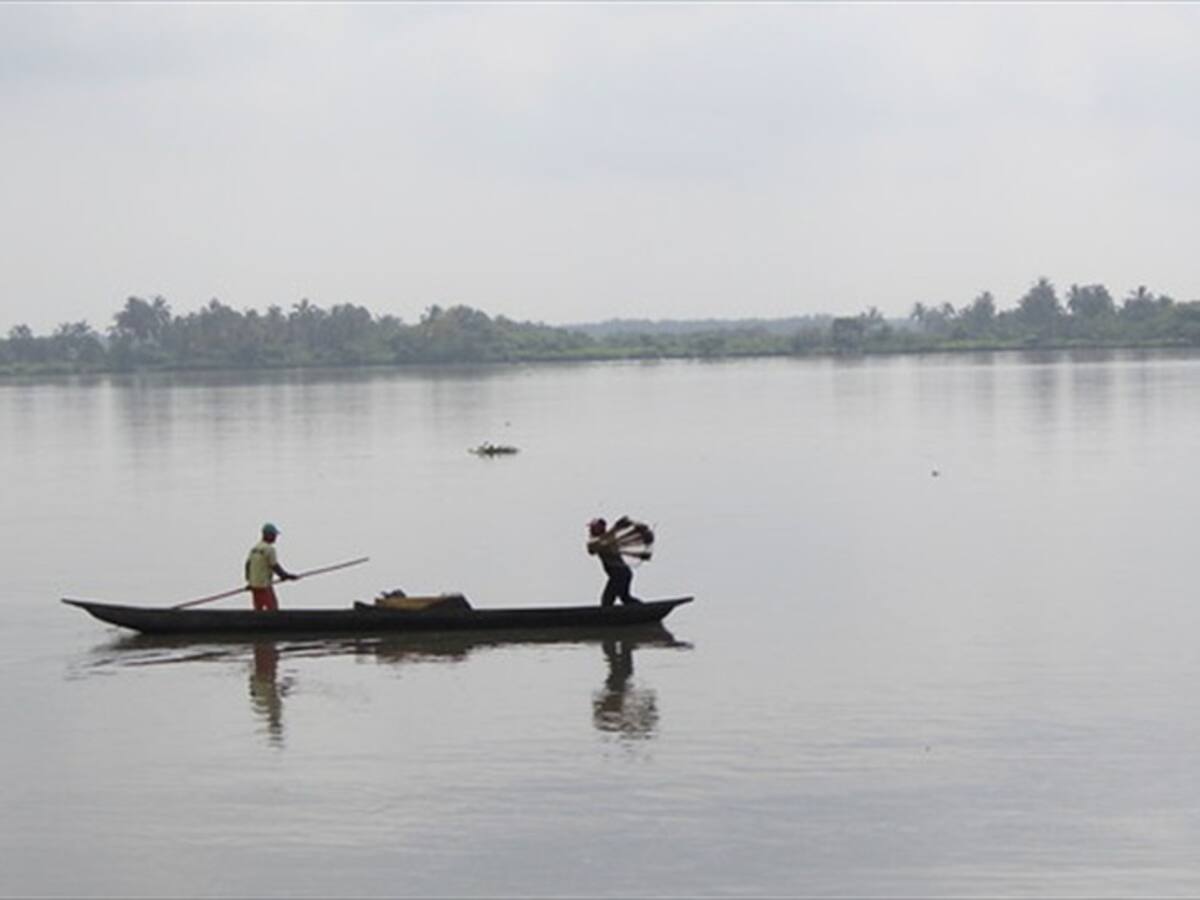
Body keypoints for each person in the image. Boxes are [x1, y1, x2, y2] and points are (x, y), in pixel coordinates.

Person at [586, 517, 642, 607]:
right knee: (625, 598)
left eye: (593, 528)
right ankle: (640, 608)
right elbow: (591, 550)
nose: (590, 530)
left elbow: (603, 545)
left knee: (607, 601)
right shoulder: (600, 540)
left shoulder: (609, 540)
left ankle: (640, 609)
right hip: (621, 574)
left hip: (620, 574)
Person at [245, 522, 298, 612]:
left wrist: (250, 582)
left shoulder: (254, 549)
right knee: (273, 609)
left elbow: (248, 566)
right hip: (264, 586)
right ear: (268, 535)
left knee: (258, 610)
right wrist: (286, 576)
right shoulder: (269, 549)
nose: (275, 538)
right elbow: (274, 566)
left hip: (254, 586)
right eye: (274, 535)